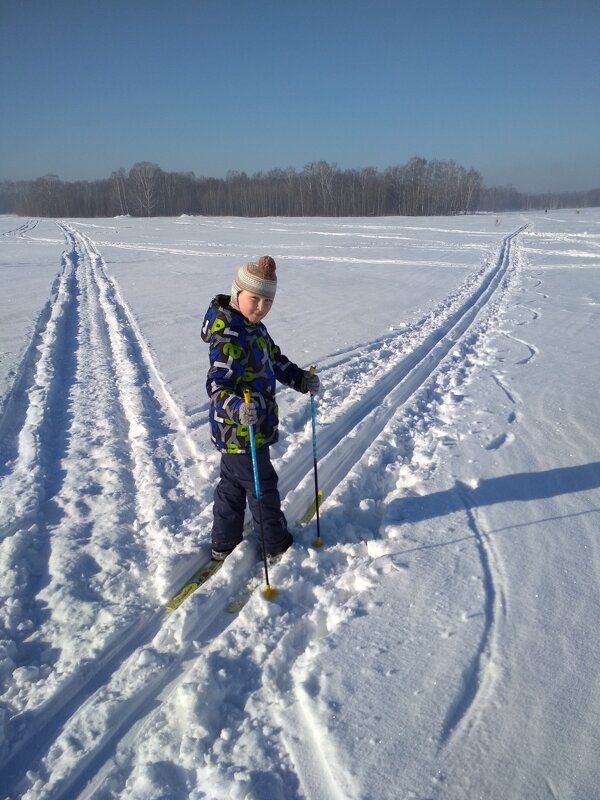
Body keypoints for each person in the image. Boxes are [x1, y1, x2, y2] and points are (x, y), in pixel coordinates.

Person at [201, 256, 320, 561]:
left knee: (232, 486)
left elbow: (275, 361)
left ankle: (224, 541)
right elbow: (217, 386)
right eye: (254, 299)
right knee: (260, 485)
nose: (261, 307)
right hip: (240, 429)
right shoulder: (229, 336)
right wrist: (238, 408)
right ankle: (275, 543)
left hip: (245, 428)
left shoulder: (256, 329)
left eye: (267, 301)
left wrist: (301, 380)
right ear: (236, 292)